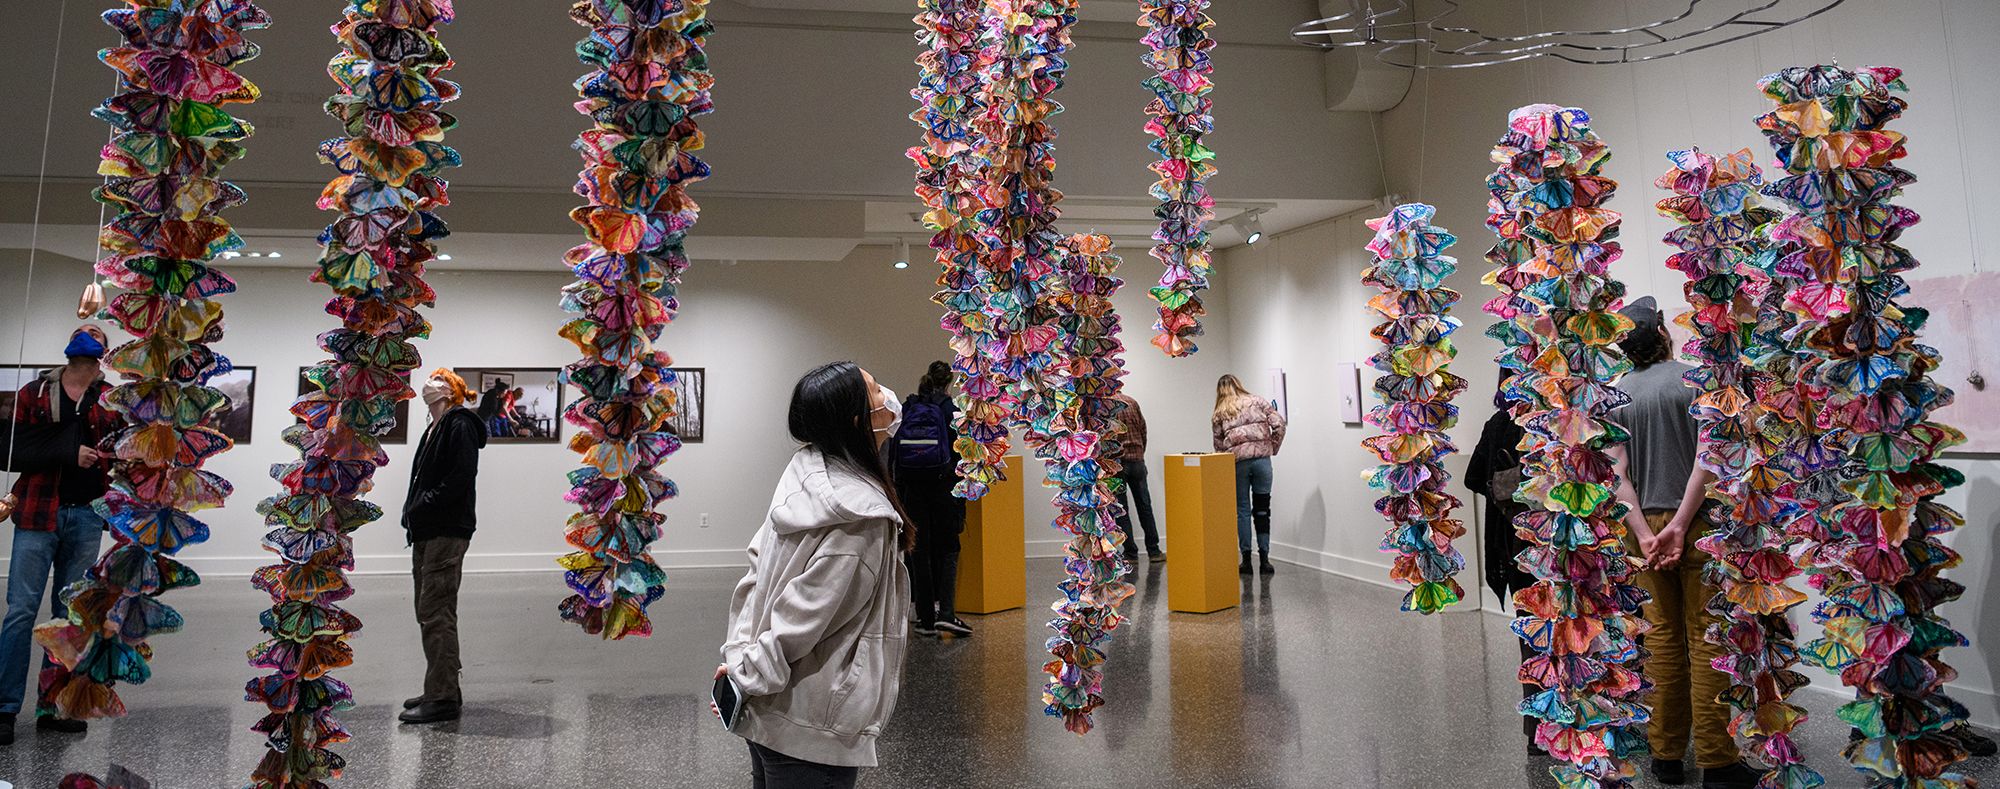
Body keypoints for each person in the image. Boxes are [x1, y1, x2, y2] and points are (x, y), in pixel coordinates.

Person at [717, 361, 912, 788]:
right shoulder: (860, 516)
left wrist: (740, 661)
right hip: (810, 725)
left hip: (768, 710)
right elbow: (805, 616)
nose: (888, 396)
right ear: (857, 419)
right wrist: (747, 673)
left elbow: (755, 574)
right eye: (876, 390)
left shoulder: (805, 474)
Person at [1610, 296, 1757, 789]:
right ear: (1663, 333)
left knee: (1661, 640)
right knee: (1706, 637)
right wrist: (1679, 525)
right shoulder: (1696, 379)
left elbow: (1618, 475)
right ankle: (1717, 761)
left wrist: (1646, 534)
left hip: (1643, 528)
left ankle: (1666, 755)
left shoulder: (1615, 393)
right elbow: (1707, 459)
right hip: (1697, 523)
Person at [0, 325, 118, 743]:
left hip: (86, 516)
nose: (87, 336)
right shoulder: (35, 393)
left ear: (104, 351)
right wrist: (66, 451)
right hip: (37, 513)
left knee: (68, 617)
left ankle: (52, 706)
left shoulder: (111, 399)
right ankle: (4, 709)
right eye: (81, 331)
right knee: (20, 612)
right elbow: (10, 448)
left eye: (95, 334)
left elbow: (123, 453)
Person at [399, 368, 488, 725]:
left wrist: (426, 503)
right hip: (427, 529)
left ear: (451, 391)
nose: (428, 384)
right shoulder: (434, 427)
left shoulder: (460, 424)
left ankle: (443, 698)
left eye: (439, 380)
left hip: (446, 529)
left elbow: (461, 475)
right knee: (429, 610)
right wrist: (414, 512)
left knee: (436, 610)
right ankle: (441, 685)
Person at [1463, 373, 1538, 750]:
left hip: (1514, 545)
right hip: (1558, 548)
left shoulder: (1498, 423)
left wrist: (1502, 494)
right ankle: (1573, 727)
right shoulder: (1556, 421)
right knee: (1570, 634)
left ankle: (1537, 732)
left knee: (1532, 639)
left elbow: (1472, 478)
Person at [886, 361, 970, 638]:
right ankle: (946, 613)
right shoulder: (951, 410)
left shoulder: (909, 407)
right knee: (949, 548)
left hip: (912, 489)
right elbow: (961, 452)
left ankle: (924, 618)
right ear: (948, 383)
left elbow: (894, 450)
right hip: (944, 487)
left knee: (919, 549)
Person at [1211, 374, 1286, 575]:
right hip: (1262, 461)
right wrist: (1272, 447)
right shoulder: (1258, 401)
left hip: (1237, 464)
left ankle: (1246, 560)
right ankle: (1265, 559)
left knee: (1242, 510)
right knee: (1262, 509)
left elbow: (1218, 446)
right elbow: (1279, 424)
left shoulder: (1220, 411)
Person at [1110, 392, 1163, 564]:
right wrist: (1140, 453)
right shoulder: (1132, 402)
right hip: (1137, 461)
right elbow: (1143, 430)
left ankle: (1130, 552)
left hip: (1117, 464)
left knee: (1122, 509)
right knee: (1145, 506)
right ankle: (1154, 551)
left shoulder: (1107, 406)